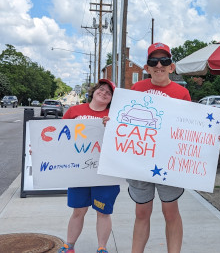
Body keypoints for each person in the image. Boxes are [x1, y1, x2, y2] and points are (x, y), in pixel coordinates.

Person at [128, 42, 190, 253]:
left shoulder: (182, 93)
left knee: (170, 211)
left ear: (171, 66)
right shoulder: (136, 89)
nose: (159, 65)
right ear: (147, 67)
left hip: (168, 162)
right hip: (140, 160)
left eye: (164, 60)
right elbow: (125, 122)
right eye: (153, 61)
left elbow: (190, 127)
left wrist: (208, 139)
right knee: (141, 213)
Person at [58, 79, 120, 253]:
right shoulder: (74, 111)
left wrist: (114, 126)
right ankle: (69, 245)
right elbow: (59, 137)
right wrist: (42, 151)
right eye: (101, 89)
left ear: (111, 99)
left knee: (103, 212)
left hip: (105, 172)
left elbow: (123, 142)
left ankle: (102, 248)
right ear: (94, 91)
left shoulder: (114, 116)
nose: (104, 93)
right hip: (79, 171)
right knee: (78, 210)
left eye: (108, 92)